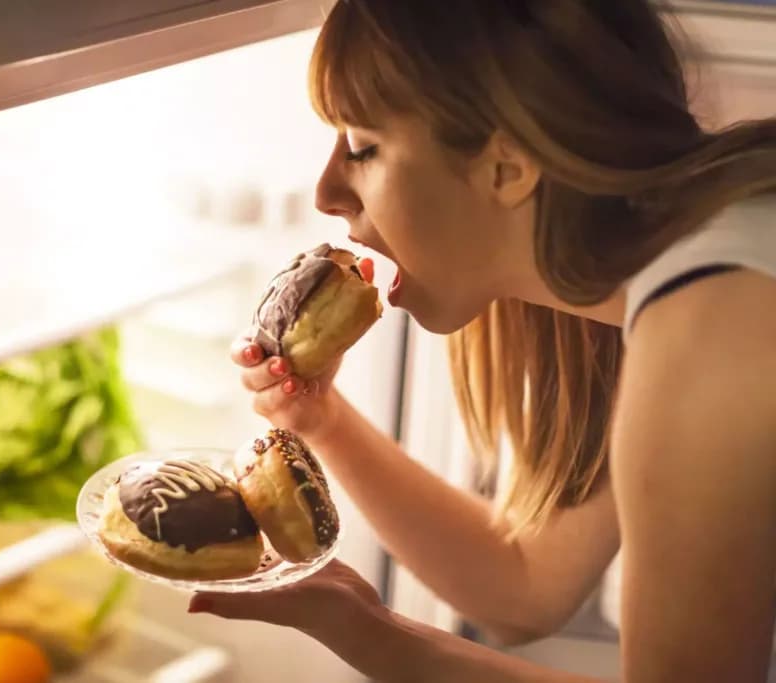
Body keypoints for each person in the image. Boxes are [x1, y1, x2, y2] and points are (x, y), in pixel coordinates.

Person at [185, 1, 776, 681]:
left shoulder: (708, 333)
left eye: (361, 148)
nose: (325, 193)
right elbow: (527, 583)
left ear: (508, 166)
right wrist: (317, 419)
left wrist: (379, 642)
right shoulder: (689, 261)